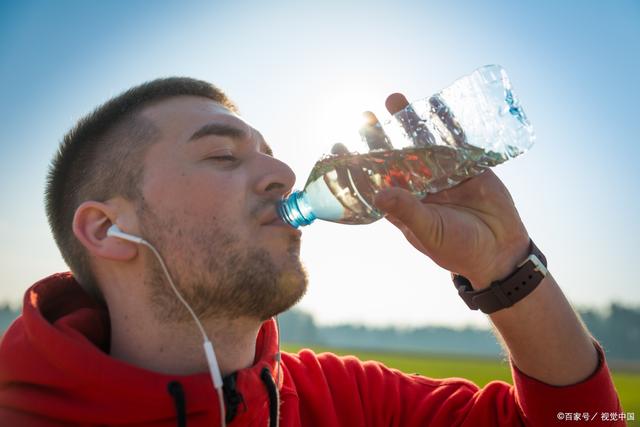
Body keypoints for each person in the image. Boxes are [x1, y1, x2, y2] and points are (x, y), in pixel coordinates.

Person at [0, 77, 623, 426]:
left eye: (270, 151)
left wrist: (504, 265)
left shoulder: (344, 403)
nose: (282, 172)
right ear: (107, 230)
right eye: (223, 155)